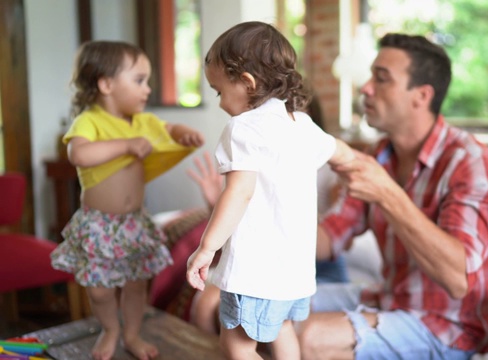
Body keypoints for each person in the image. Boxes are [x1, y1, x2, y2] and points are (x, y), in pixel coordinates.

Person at [297, 33, 488, 359]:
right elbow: (327, 240)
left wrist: (387, 193)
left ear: (421, 95)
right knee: (258, 305)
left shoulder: (470, 162)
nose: (366, 88)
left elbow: (458, 279)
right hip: (390, 299)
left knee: (312, 337)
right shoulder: (379, 154)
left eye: (381, 79)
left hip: (454, 327)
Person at [185, 21, 355, 359]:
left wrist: (206, 248)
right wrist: (356, 168)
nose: (219, 104)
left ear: (247, 83)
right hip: (295, 273)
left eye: (219, 92)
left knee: (235, 345)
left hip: (255, 271)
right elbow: (341, 152)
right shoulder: (302, 124)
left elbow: (239, 192)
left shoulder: (243, 128)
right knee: (283, 333)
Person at [50, 40, 204, 360]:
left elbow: (168, 127)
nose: (147, 89)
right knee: (99, 288)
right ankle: (110, 330)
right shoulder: (89, 120)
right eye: (139, 80)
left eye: (147, 80)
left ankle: (132, 334)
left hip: (134, 220)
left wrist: (181, 132)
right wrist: (125, 146)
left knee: (136, 284)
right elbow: (78, 153)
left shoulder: (144, 122)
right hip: (99, 224)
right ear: (106, 84)